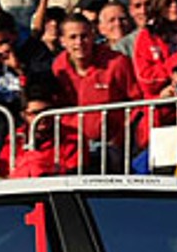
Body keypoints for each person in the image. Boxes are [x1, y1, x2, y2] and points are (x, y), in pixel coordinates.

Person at [49, 12, 142, 170]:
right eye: (73, 37)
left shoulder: (117, 63)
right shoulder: (58, 68)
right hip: (72, 146)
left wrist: (120, 137)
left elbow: (137, 103)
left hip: (111, 145)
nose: (79, 42)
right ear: (62, 41)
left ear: (93, 36)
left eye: (84, 36)